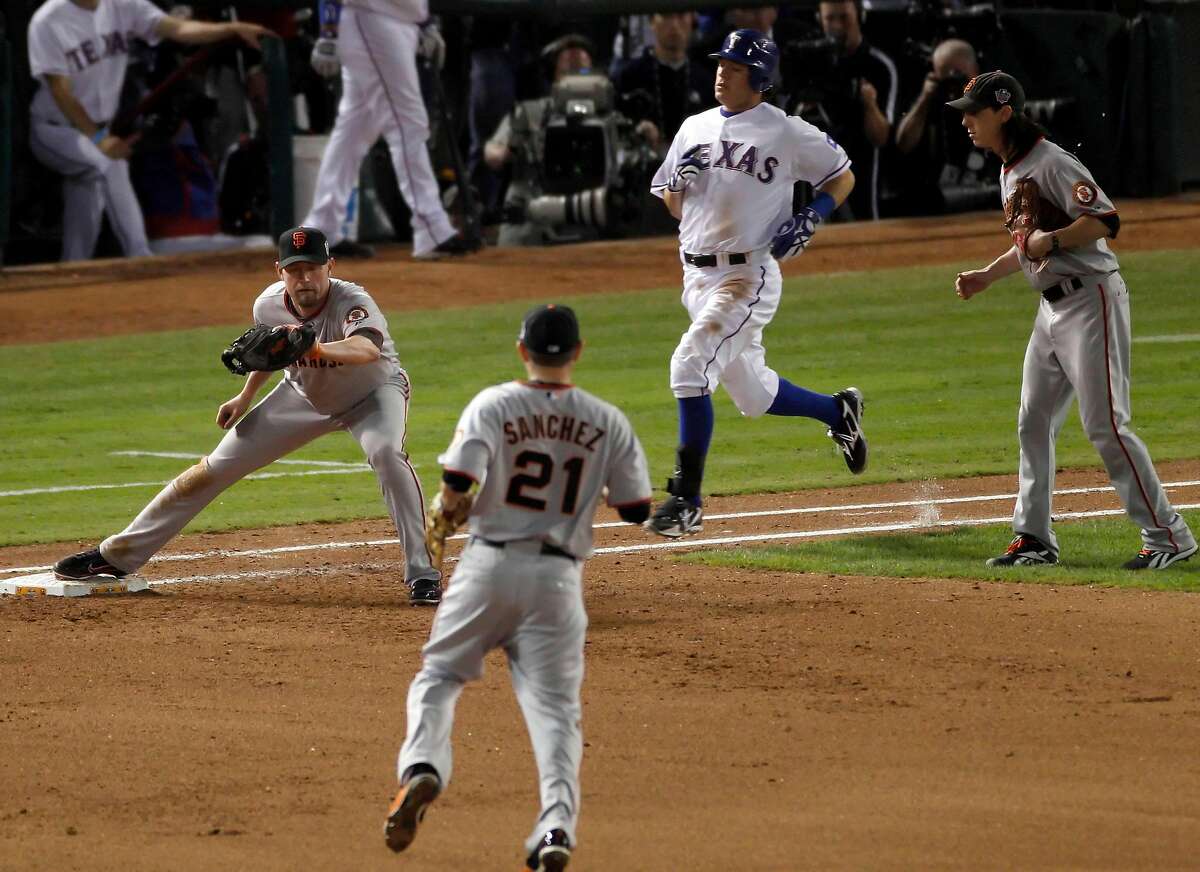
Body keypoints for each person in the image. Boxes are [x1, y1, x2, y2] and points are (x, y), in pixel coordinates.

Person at [383, 304, 652, 870]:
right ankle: (555, 827)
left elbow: (458, 483)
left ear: (522, 350)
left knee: (438, 677)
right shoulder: (608, 420)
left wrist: (443, 522)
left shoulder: (495, 403)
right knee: (556, 713)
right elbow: (635, 508)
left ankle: (424, 768)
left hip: (488, 568)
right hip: (558, 580)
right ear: (577, 353)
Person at [52, 226, 444, 605]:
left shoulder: (353, 302)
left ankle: (423, 574)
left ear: (331, 267)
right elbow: (270, 351)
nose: (304, 278)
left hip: (373, 395)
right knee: (214, 467)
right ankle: (117, 556)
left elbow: (366, 350)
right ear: (280, 271)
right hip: (302, 395)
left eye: (312, 268)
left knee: (387, 456)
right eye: (294, 269)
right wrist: (244, 396)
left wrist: (317, 351)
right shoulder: (268, 304)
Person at [950, 72, 1196, 571]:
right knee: (1033, 420)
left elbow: (1106, 220)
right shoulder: (1010, 166)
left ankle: (1169, 536)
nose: (965, 121)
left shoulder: (1051, 161)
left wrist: (1056, 239)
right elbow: (1027, 243)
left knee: (1105, 425)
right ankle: (1034, 537)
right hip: (1051, 311)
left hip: (1091, 302)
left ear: (1003, 112)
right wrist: (988, 275)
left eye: (974, 111)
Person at [644, 29, 868, 538]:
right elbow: (673, 204)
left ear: (760, 78)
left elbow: (842, 173)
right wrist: (677, 182)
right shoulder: (692, 127)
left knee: (691, 363)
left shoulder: (785, 131)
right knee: (753, 394)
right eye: (722, 62)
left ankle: (687, 500)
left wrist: (815, 211)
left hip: (748, 277)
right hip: (696, 277)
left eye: (736, 66)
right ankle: (839, 411)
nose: (722, 71)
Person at [26, 0, 272, 262]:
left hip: (94, 132)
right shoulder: (48, 20)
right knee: (111, 164)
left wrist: (231, 28)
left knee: (87, 202)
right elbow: (60, 92)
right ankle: (140, 256)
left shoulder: (122, 6)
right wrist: (99, 139)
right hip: (55, 129)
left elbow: (178, 28)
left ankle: (71, 274)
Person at [303, 0, 479, 260]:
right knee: (407, 123)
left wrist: (424, 22)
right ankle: (431, 229)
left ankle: (322, 226)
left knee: (355, 128)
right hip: (370, 18)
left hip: (395, 22)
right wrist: (328, 32)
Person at [483, 34, 595, 247]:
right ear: (554, 77)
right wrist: (505, 152)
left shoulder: (606, 115)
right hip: (532, 210)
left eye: (581, 72)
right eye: (567, 72)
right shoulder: (530, 112)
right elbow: (491, 152)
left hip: (585, 211)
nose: (575, 80)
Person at [796, 0, 897, 220]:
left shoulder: (877, 65)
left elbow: (881, 137)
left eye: (844, 17)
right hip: (813, 174)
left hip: (860, 170)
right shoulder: (810, 61)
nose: (837, 25)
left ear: (860, 17)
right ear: (819, 21)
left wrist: (869, 104)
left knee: (866, 235)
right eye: (830, 18)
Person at [893, 38, 998, 215]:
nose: (953, 86)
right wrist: (925, 98)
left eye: (959, 76)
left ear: (976, 71)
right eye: (945, 77)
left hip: (987, 204)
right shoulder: (930, 105)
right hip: (937, 207)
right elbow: (903, 144)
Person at [613, 12, 713, 154]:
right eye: (666, 16)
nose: (674, 25)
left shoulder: (706, 80)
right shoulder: (628, 77)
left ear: (692, 21)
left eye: (681, 16)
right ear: (652, 22)